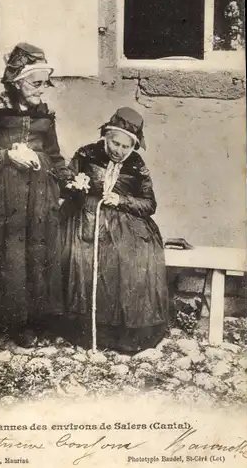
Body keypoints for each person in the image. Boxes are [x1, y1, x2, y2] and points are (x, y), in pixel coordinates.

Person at [0, 43, 72, 347]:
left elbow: (54, 154)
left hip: (34, 199)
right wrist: (7, 155)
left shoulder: (44, 113)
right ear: (17, 81)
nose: (42, 90)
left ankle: (23, 324)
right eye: (36, 83)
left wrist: (70, 180)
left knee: (29, 258)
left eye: (45, 83)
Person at [61, 107, 169, 353]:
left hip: (126, 224)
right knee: (80, 258)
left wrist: (122, 201)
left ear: (133, 147)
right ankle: (85, 329)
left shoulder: (136, 165)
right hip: (85, 217)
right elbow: (65, 182)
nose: (118, 151)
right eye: (114, 143)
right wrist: (76, 185)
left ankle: (121, 333)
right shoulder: (86, 154)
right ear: (106, 136)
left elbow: (150, 204)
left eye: (125, 147)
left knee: (129, 259)